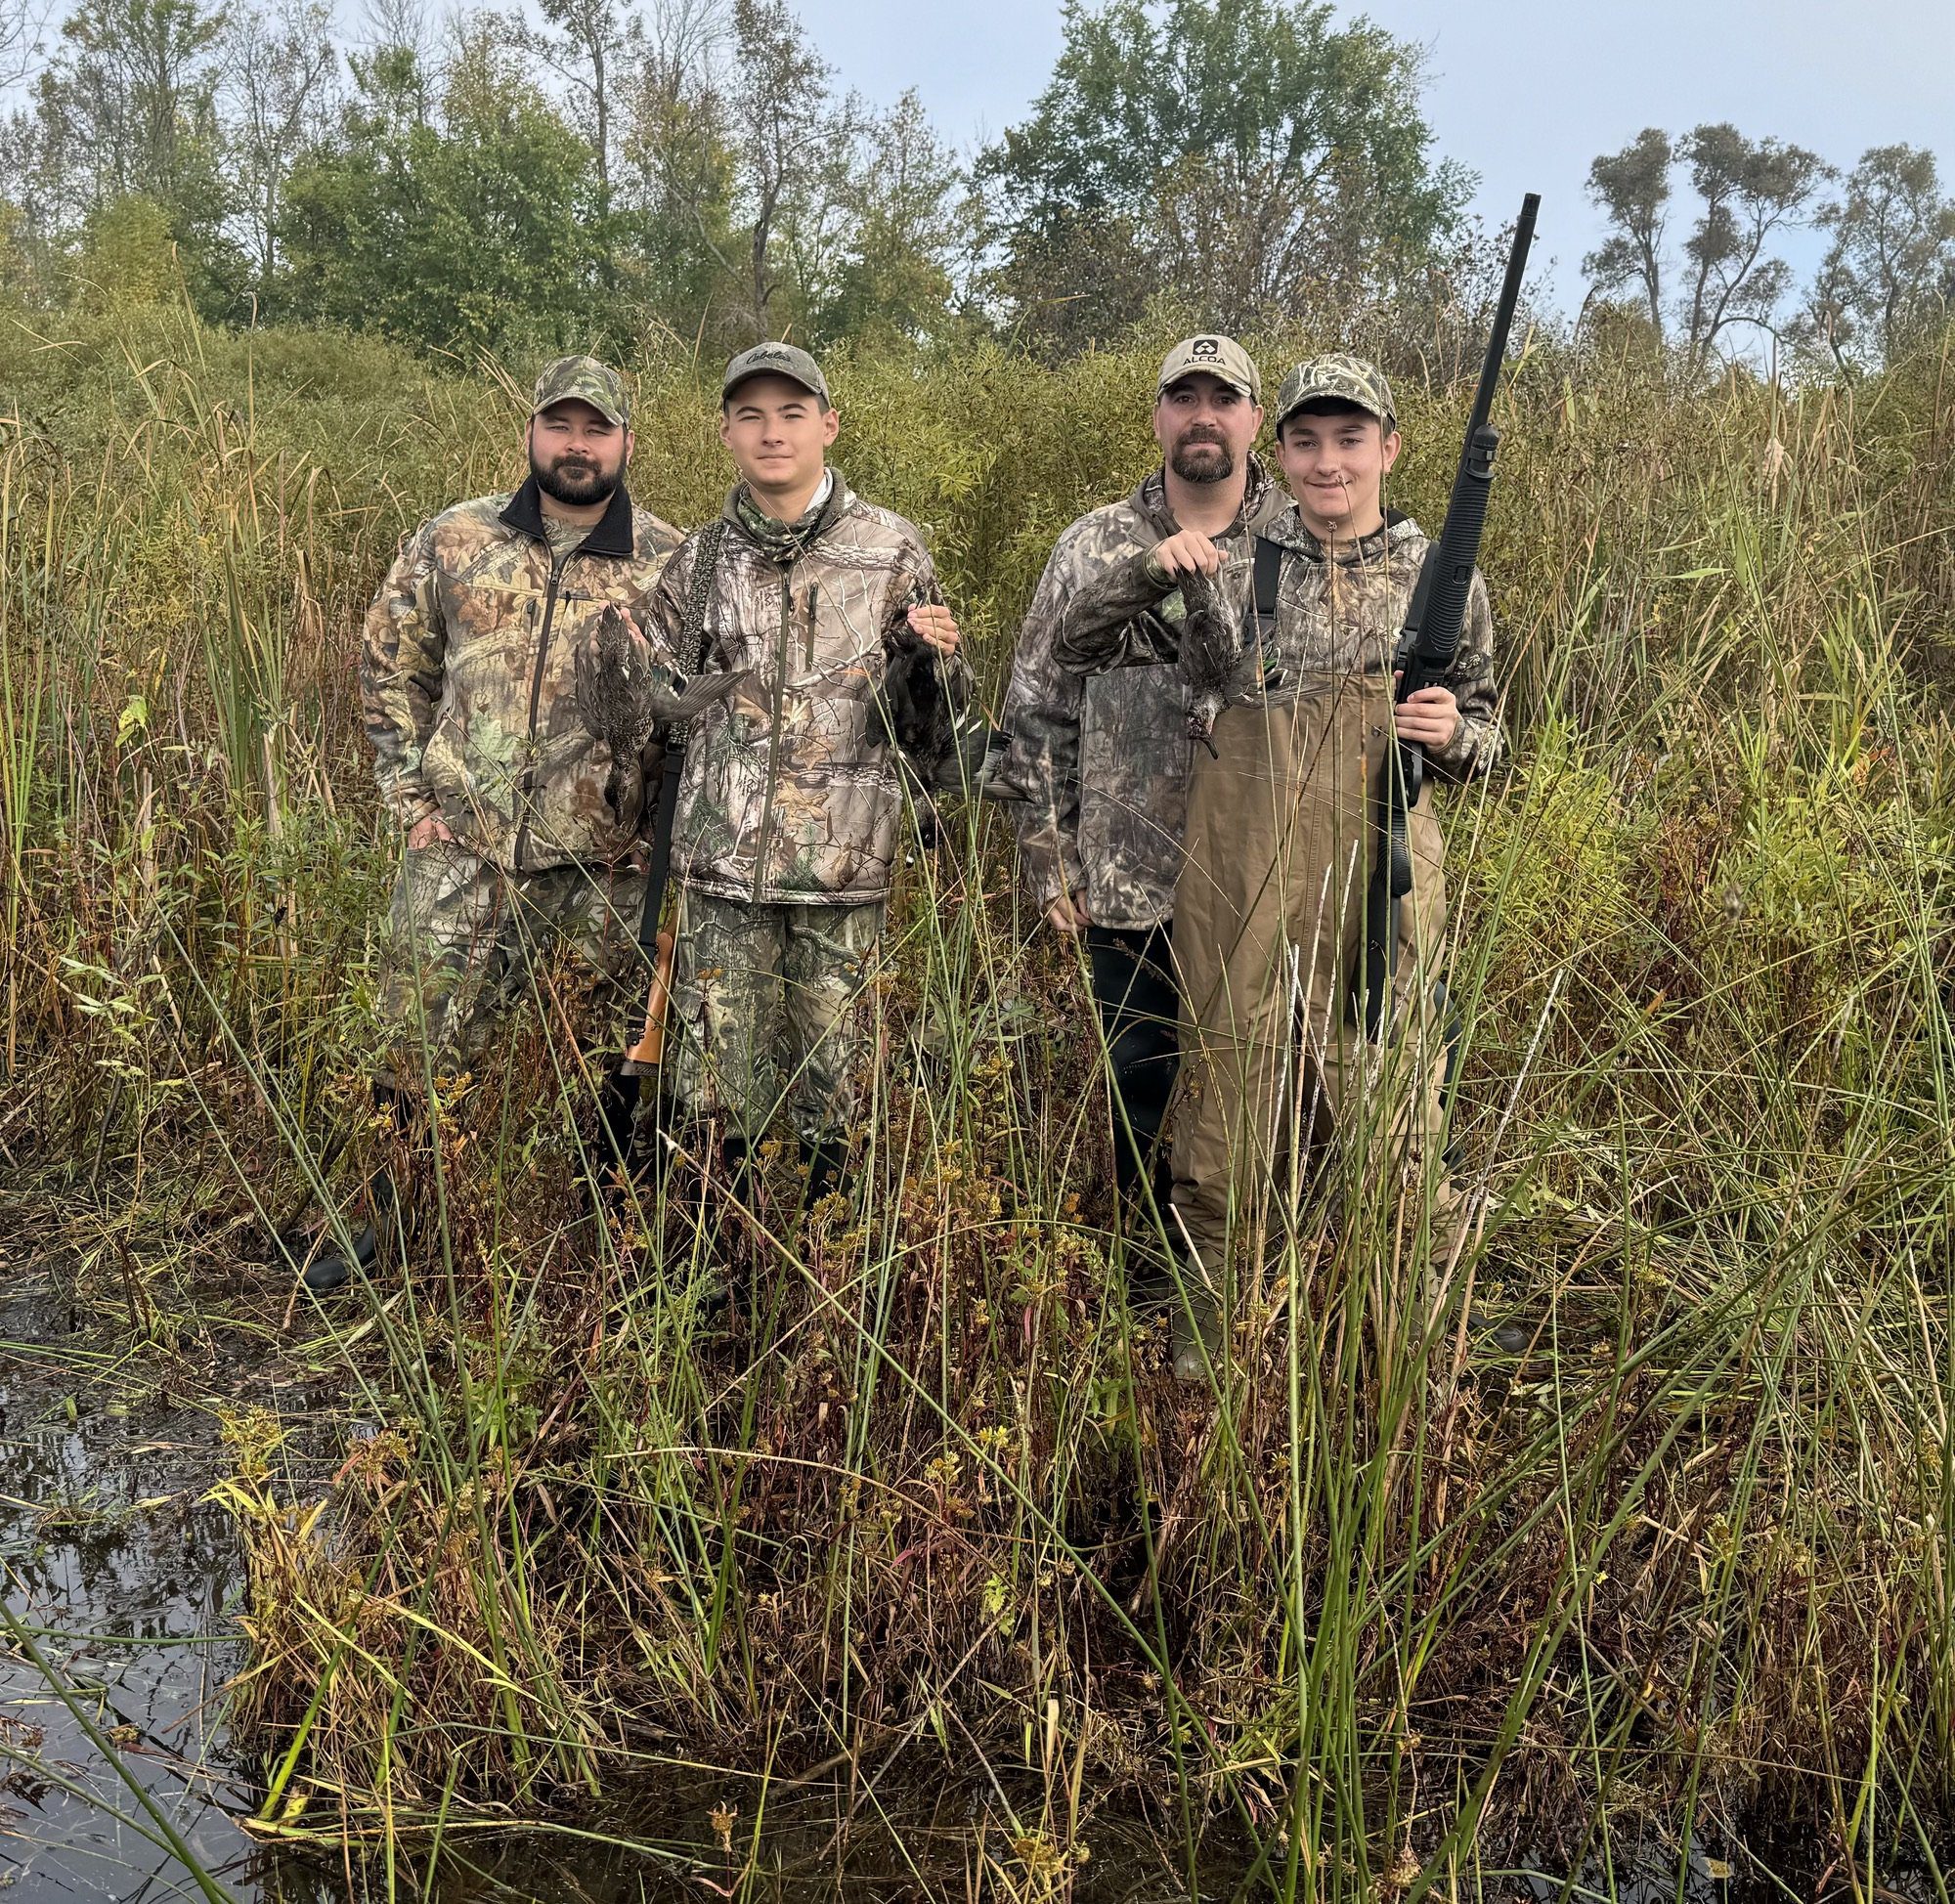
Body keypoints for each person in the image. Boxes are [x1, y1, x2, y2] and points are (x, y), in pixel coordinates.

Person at [1057, 353, 1501, 1380]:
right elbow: (1081, 642)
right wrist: (1146, 570)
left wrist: (1452, 735)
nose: (1326, 461)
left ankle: (1409, 1361)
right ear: (1280, 449)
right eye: (1305, 440)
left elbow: (1489, 740)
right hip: (1239, 876)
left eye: (1349, 439)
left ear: (1388, 448)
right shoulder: (1234, 560)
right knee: (1221, 1117)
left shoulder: (1442, 582)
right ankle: (1205, 1354)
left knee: (1393, 1117)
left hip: (1379, 882)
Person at [298, 355, 681, 1294]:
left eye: (597, 428)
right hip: (461, 851)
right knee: (415, 1041)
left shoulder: (672, 561)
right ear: (532, 432)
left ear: (627, 440)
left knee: (609, 1057)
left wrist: (652, 839)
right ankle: (393, 1223)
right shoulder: (454, 539)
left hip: (603, 865)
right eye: (561, 425)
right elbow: (390, 667)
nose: (577, 445)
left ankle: (609, 1243)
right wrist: (413, 804)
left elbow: (689, 719)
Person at [614, 342, 966, 1221]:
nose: (773, 433)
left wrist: (933, 663)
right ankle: (706, 1280)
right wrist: (639, 681)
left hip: (844, 875)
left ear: (828, 426)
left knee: (833, 1100)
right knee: (710, 1097)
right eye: (751, 416)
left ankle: (824, 1285)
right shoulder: (697, 563)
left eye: (792, 413)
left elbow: (932, 728)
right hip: (720, 874)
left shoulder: (891, 550)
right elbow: (646, 704)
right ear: (726, 433)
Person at [993, 335, 1282, 1245]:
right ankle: (1150, 1284)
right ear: (1157, 415)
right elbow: (1034, 706)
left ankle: (1258, 1275)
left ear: (1253, 418)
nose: (1203, 414)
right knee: (1143, 1086)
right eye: (1182, 396)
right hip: (1129, 877)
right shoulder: (1095, 545)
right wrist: (1050, 859)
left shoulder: (1302, 542)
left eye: (1222, 397)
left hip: (1271, 876)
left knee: (1274, 1085)